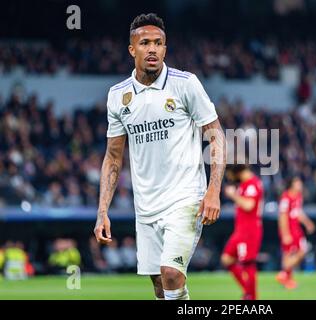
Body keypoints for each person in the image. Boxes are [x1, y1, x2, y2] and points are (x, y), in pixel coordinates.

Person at [93, 13, 226, 300]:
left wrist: (214, 189)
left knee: (171, 273)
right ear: (132, 49)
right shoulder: (118, 96)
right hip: (146, 205)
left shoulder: (185, 84)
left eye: (159, 43)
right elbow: (113, 156)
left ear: (165, 48)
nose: (152, 49)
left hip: (185, 197)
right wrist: (102, 210)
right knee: (159, 284)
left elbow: (216, 135)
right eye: (145, 43)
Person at [221, 164, 264, 300]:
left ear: (236, 171)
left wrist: (233, 195)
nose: (229, 177)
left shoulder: (252, 184)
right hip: (241, 230)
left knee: (247, 263)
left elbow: (249, 205)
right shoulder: (246, 184)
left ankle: (251, 296)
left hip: (249, 231)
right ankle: (248, 292)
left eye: (229, 173)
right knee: (227, 259)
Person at [276, 176, 315, 289]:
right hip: (288, 230)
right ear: (292, 184)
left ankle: (284, 275)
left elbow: (298, 213)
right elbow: (282, 216)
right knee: (289, 254)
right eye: (298, 182)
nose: (300, 184)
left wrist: (308, 223)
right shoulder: (285, 197)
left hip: (296, 229)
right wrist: (285, 234)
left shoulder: (298, 197)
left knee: (302, 251)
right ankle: (286, 277)